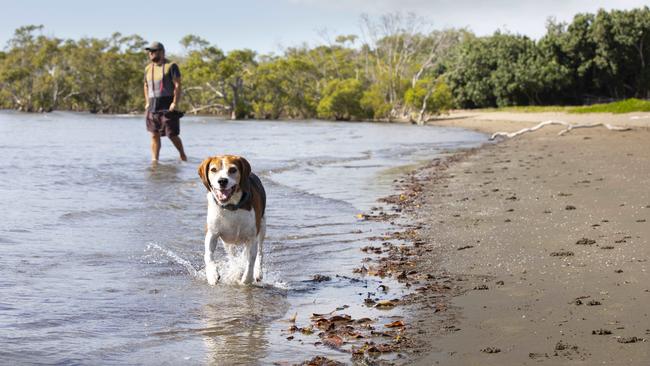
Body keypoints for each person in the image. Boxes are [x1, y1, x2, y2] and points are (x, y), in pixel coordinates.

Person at [144, 41, 187, 162]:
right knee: (154, 135)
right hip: (152, 107)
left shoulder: (171, 66)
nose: (151, 54)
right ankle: (154, 161)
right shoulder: (148, 68)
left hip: (167, 106)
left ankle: (183, 155)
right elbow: (146, 86)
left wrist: (175, 102)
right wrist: (147, 102)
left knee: (172, 135)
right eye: (150, 52)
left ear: (161, 52)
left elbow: (178, 85)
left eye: (153, 51)